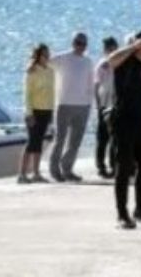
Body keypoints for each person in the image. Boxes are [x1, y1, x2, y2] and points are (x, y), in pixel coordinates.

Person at [107, 32, 141, 230]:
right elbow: (110, 61)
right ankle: (122, 214)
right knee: (123, 168)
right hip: (124, 120)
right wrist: (133, 47)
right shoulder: (125, 61)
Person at [48, 32, 94, 182]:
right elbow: (45, 63)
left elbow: (90, 82)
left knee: (75, 141)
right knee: (60, 139)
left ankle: (67, 169)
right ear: (73, 43)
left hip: (83, 105)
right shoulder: (63, 58)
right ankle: (54, 170)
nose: (81, 46)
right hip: (64, 103)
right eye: (78, 43)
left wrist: (89, 102)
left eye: (84, 44)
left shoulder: (88, 61)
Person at [19, 44, 55, 184]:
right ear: (38, 56)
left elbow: (52, 93)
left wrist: (52, 111)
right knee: (32, 142)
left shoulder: (50, 71)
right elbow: (27, 95)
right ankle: (22, 174)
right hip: (34, 111)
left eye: (48, 54)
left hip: (46, 110)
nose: (47, 57)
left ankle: (36, 173)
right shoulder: (32, 72)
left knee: (39, 142)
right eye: (44, 55)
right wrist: (29, 113)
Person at [94, 36, 120, 179]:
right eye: (109, 48)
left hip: (117, 104)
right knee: (103, 137)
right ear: (105, 49)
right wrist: (98, 105)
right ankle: (101, 166)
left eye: (113, 47)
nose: (111, 50)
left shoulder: (121, 62)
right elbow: (96, 85)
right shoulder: (102, 64)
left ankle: (114, 165)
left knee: (115, 137)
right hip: (104, 104)